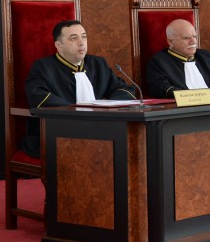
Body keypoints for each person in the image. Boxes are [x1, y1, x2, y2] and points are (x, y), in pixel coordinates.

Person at [22, 20, 137, 157]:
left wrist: (106, 107)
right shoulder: (43, 67)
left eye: (84, 37)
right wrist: (78, 111)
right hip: (57, 134)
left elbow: (125, 90)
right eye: (73, 38)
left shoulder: (98, 64)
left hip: (100, 131)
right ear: (59, 45)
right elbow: (38, 97)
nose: (81, 42)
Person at [145, 19, 210, 98]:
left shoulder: (205, 56)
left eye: (194, 36)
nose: (193, 41)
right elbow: (162, 89)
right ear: (170, 42)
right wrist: (200, 95)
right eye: (186, 38)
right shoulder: (159, 62)